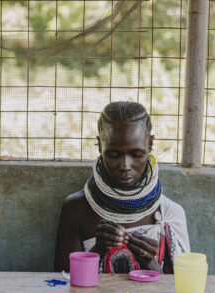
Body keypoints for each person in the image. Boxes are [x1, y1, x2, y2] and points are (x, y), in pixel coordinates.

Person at [54, 101, 190, 274]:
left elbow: (176, 292)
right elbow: (62, 281)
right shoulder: (76, 209)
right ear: (100, 145)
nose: (125, 165)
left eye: (136, 154)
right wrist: (99, 249)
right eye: (113, 154)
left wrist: (149, 262)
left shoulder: (169, 214)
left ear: (150, 145)